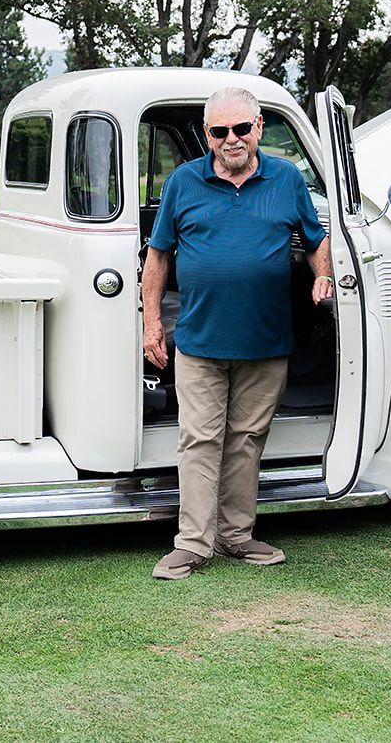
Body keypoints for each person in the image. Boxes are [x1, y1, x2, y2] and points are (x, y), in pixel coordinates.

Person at [142, 86, 333, 580]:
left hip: (267, 342)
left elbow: (316, 239)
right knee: (200, 440)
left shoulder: (286, 179)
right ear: (206, 134)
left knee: (247, 440)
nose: (231, 139)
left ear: (259, 128)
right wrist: (151, 323)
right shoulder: (184, 182)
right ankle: (192, 544)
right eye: (219, 131)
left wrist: (324, 274)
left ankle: (237, 536)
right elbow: (158, 256)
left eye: (241, 129)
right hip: (200, 341)